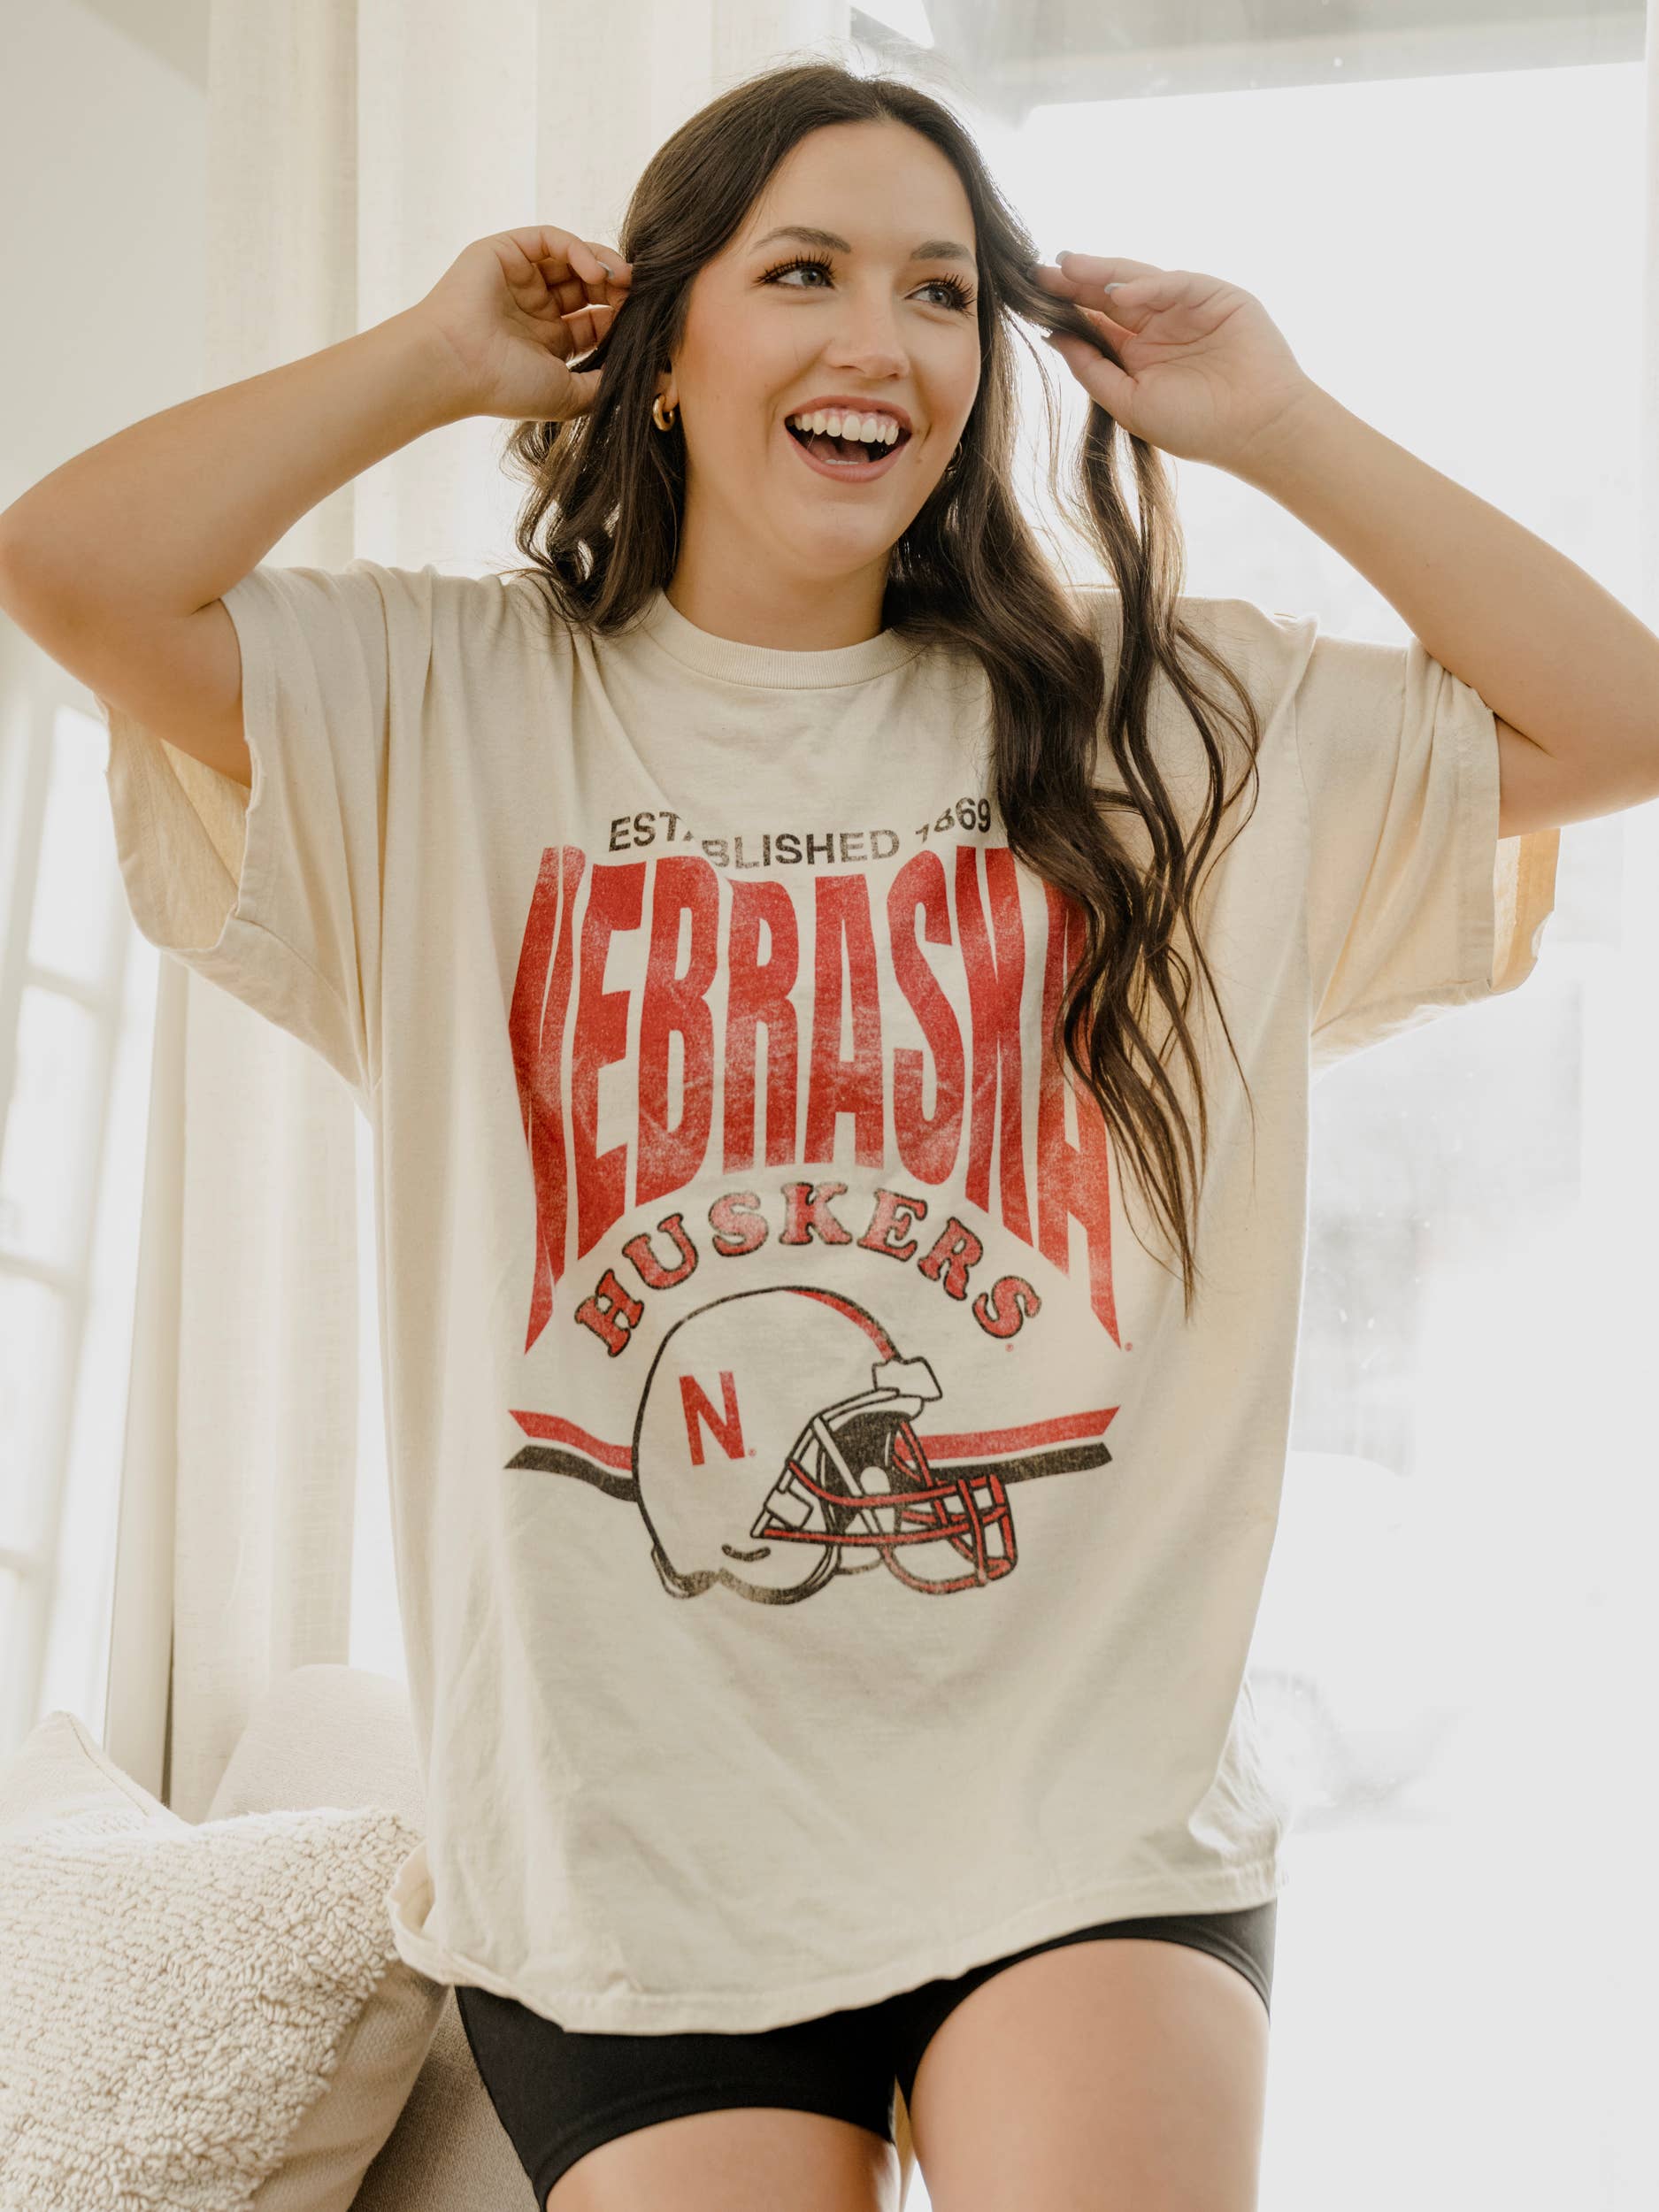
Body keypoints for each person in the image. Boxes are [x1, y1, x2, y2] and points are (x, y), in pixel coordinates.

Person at [0, 50, 1592, 2212]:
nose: (882, 340)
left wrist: (1274, 418)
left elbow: (1612, 716)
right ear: (661, 350)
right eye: (805, 271)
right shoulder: (445, 715)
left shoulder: (1155, 727)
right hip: (625, 1851)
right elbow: (69, 562)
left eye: (942, 293)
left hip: (1071, 1800)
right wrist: (430, 359)